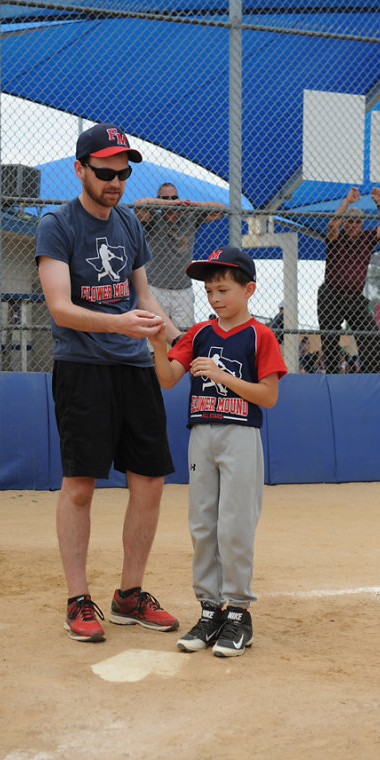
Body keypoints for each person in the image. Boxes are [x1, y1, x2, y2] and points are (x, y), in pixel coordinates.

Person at [35, 122, 182, 642]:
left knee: (150, 480)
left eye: (122, 174)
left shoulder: (129, 223)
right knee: (80, 485)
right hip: (83, 367)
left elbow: (144, 298)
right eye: (105, 173)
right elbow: (60, 307)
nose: (115, 182)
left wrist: (180, 341)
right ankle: (78, 599)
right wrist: (119, 325)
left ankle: (130, 595)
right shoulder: (57, 225)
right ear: (80, 169)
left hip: (134, 367)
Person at [152, 246, 287, 657]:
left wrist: (223, 376)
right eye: (209, 291)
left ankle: (239, 613)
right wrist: (157, 343)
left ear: (249, 290)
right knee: (202, 524)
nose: (215, 298)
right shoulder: (198, 334)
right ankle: (210, 610)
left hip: (240, 435)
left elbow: (268, 396)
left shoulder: (260, 335)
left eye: (223, 290)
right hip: (202, 435)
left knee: (235, 524)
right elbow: (168, 378)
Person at [134, 184, 227, 331]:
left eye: (174, 198)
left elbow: (221, 209)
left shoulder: (189, 217)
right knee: (153, 332)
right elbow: (138, 204)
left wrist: (194, 204)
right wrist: (167, 204)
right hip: (155, 287)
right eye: (166, 198)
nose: (171, 201)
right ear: (158, 199)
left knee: (185, 335)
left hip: (183, 288)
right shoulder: (154, 219)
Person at [318, 186, 380, 373]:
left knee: (371, 335)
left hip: (355, 297)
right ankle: (333, 376)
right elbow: (332, 225)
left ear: (362, 224)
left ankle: (368, 374)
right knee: (330, 337)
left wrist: (379, 203)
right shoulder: (336, 237)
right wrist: (347, 201)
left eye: (357, 222)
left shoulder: (367, 237)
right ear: (344, 223)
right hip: (331, 294)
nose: (353, 225)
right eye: (349, 221)